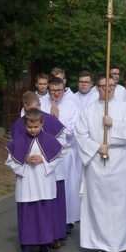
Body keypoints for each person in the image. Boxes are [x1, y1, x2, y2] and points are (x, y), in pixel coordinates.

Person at [74, 74, 126, 252]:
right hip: (97, 162)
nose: (109, 89)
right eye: (104, 86)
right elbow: (80, 134)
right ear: (97, 88)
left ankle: (120, 241)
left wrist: (114, 124)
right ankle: (100, 242)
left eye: (111, 85)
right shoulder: (88, 110)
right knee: (99, 203)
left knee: (119, 203)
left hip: (119, 162)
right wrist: (96, 147)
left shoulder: (124, 108)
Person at [5, 108, 65, 252]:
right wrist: (23, 160)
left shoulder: (50, 140)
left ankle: (44, 246)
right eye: (30, 127)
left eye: (36, 127)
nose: (33, 130)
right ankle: (26, 248)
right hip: (27, 184)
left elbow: (58, 157)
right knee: (27, 217)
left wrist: (43, 160)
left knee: (44, 215)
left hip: (44, 183)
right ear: (25, 124)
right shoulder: (18, 141)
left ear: (42, 123)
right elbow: (10, 160)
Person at [43, 77, 81, 235]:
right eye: (52, 91)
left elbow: (73, 130)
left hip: (64, 153)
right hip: (45, 154)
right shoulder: (41, 103)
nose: (56, 94)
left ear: (64, 89)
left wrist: (57, 119)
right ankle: (49, 220)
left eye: (59, 90)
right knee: (48, 188)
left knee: (66, 188)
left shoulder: (72, 105)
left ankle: (66, 220)